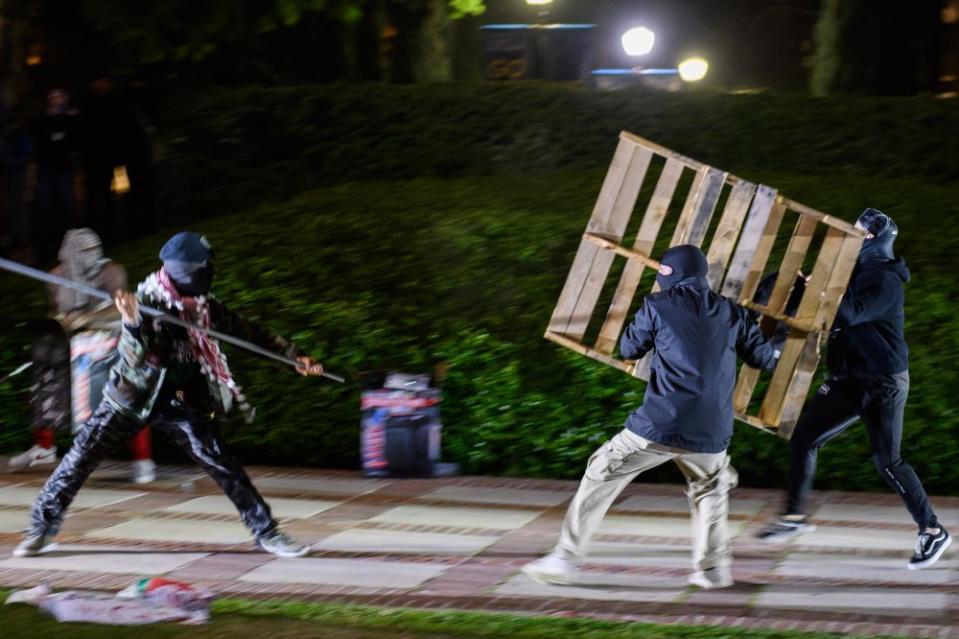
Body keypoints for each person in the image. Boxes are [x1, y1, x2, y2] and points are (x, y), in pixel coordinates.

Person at [13, 232, 326, 559]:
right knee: (80, 458)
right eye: (202, 268)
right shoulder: (147, 302)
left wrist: (293, 358)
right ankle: (40, 530)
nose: (208, 273)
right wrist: (133, 323)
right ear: (185, 272)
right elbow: (132, 357)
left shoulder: (205, 308)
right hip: (132, 396)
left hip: (181, 400)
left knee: (222, 463)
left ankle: (267, 532)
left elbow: (249, 333)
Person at [522, 245, 780, 590]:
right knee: (710, 489)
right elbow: (765, 359)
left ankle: (565, 559)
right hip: (712, 430)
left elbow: (629, 349)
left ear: (668, 274)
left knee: (601, 470)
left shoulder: (658, 306)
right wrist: (778, 337)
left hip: (661, 423)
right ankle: (713, 570)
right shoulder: (732, 312)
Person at [756, 209, 949, 571]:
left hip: (882, 383)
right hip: (848, 379)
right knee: (803, 439)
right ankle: (794, 518)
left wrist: (823, 286)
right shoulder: (855, 273)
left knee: (887, 461)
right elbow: (825, 311)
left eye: (858, 233)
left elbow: (848, 314)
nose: (849, 238)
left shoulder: (885, 280)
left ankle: (932, 529)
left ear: (875, 240)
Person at [7, 229, 156, 483]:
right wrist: (63, 321)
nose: (92, 255)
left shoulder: (111, 272)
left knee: (127, 392)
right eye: (84, 251)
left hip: (111, 340)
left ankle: (143, 458)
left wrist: (87, 318)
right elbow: (57, 312)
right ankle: (44, 446)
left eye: (94, 249)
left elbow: (120, 311)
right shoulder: (56, 277)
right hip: (74, 343)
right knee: (45, 373)